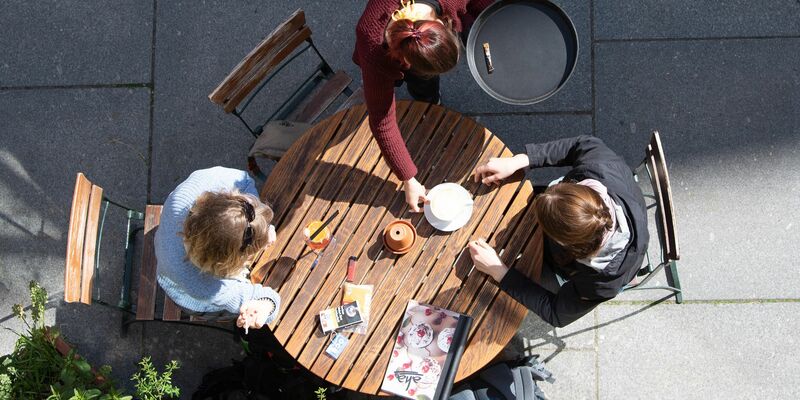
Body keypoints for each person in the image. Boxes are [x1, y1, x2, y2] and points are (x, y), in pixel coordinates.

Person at [468, 136, 649, 327]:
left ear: (565, 244)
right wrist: (520, 161)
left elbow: (557, 314)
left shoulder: (601, 282)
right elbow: (583, 144)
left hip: (566, 266)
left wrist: (499, 272)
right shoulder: (600, 169)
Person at [353, 0, 494, 212]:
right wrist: (408, 178)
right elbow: (382, 121)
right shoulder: (373, 48)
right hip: (388, 55)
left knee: (427, 86)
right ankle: (426, 95)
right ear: (405, 63)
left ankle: (430, 100)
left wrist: (496, 23)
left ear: (441, 22)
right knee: (422, 84)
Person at [155, 167, 281, 331]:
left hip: (165, 249)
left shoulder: (185, 196)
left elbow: (244, 179)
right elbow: (268, 300)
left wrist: (256, 223)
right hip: (185, 294)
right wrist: (262, 308)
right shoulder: (208, 287)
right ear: (227, 263)